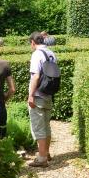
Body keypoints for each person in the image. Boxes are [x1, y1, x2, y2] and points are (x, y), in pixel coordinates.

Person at [27, 31, 57, 167]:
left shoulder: (36, 54)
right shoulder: (51, 53)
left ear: (33, 42)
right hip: (49, 93)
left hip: (38, 95)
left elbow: (36, 76)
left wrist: (31, 95)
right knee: (46, 125)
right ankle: (46, 152)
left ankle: (42, 158)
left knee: (38, 127)